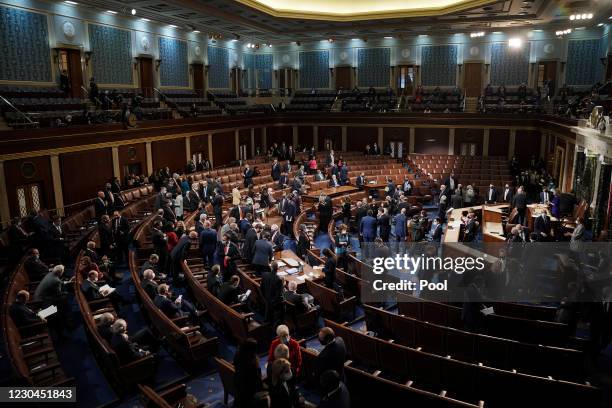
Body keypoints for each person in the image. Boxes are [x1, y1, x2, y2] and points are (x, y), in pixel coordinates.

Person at [234, 338, 264, 408]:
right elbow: (257, 379)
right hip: (249, 391)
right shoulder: (251, 364)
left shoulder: (238, 355)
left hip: (239, 385)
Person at [261, 262, 285, 326]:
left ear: (271, 267)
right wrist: (274, 302)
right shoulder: (278, 279)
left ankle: (266, 320)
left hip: (266, 298)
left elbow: (261, 288)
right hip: (274, 302)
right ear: (277, 268)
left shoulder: (265, 275)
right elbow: (279, 294)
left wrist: (265, 297)